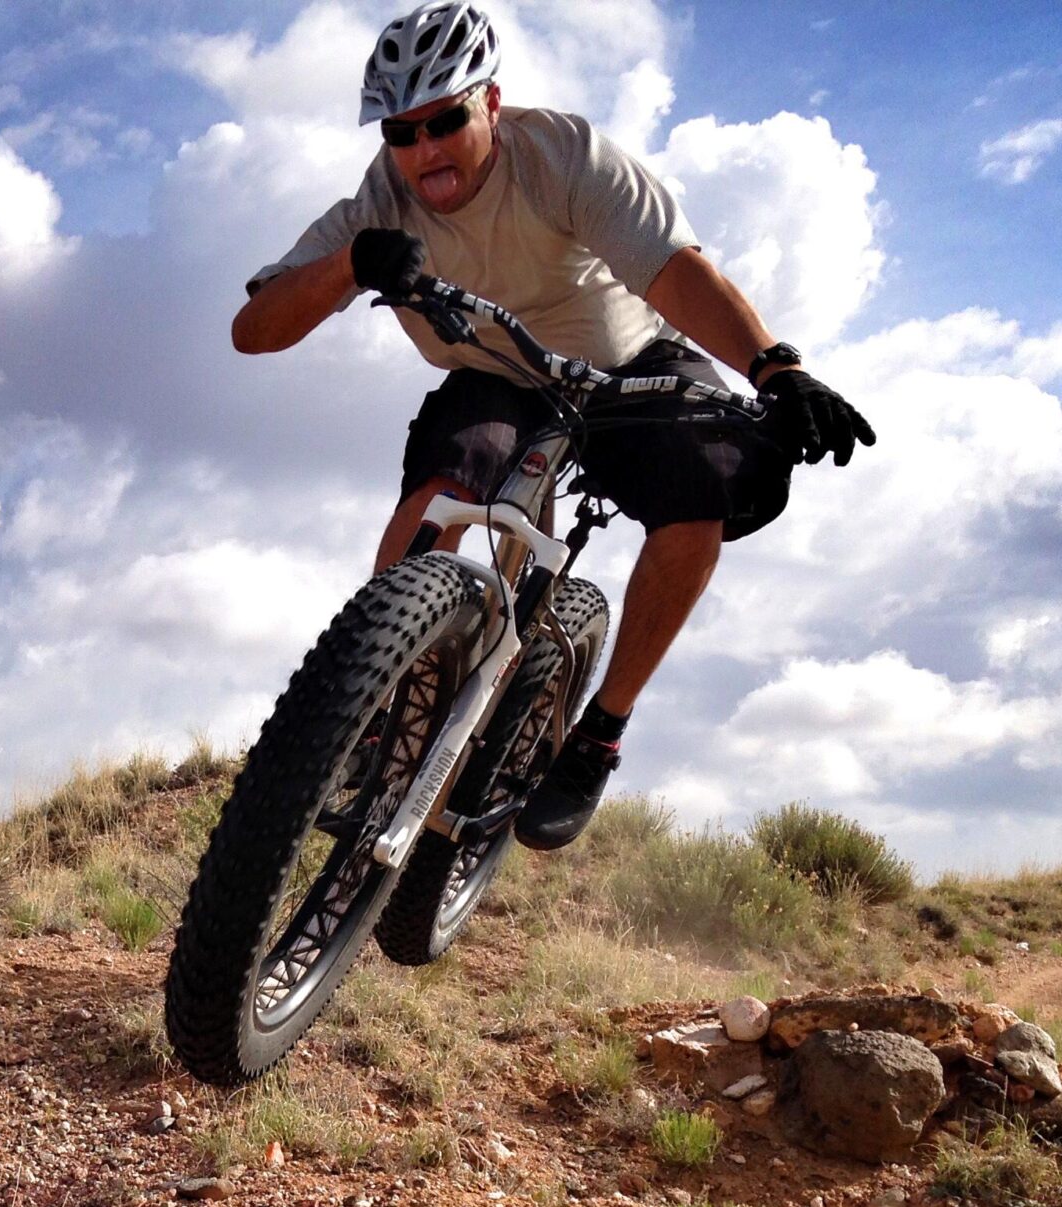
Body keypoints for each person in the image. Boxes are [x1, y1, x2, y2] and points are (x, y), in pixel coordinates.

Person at [231, 0, 874, 850]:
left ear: (489, 102)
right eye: (400, 132)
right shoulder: (378, 204)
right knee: (444, 489)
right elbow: (256, 328)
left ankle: (598, 733)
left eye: (445, 121)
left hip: (628, 363)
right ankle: (376, 707)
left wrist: (774, 367)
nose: (424, 151)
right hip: (496, 373)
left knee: (700, 492)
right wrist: (351, 265)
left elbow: (675, 273)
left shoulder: (563, 157)